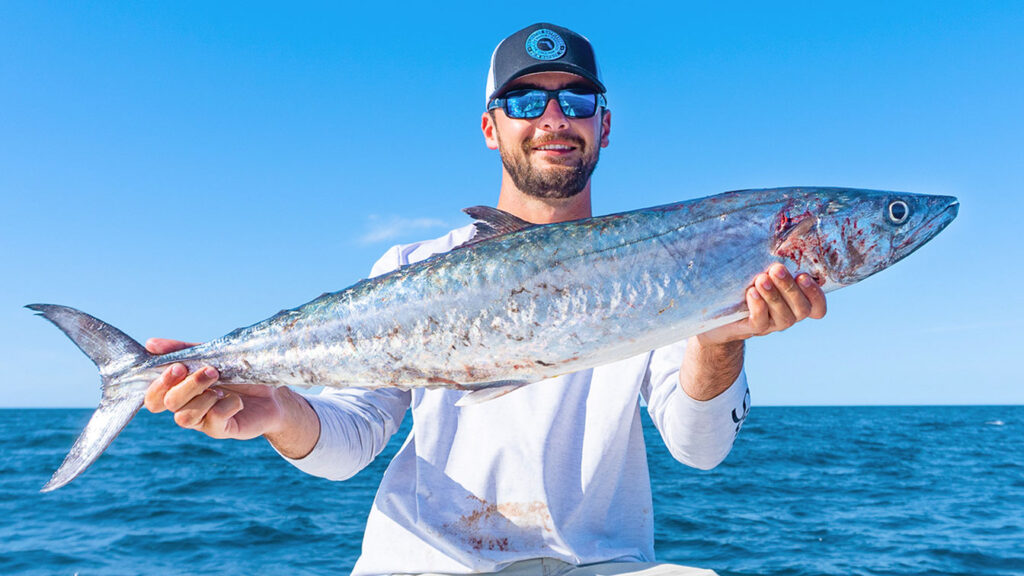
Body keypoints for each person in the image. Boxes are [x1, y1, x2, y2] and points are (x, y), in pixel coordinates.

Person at [143, 23, 826, 576]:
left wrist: (721, 336)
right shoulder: (412, 267)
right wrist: (277, 409)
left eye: (577, 101)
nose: (554, 118)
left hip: (599, 566)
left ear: (604, 126)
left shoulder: (672, 271)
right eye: (527, 102)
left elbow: (698, 449)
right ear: (490, 127)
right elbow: (346, 449)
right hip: (425, 562)